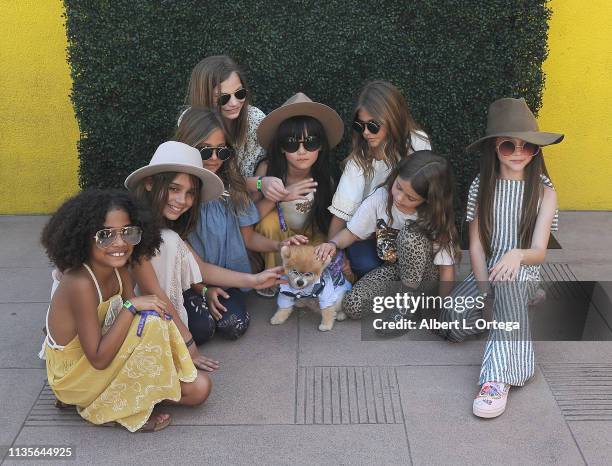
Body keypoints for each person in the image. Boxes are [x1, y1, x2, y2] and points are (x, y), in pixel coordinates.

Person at [40, 189, 210, 432]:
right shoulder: (80, 283)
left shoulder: (119, 269)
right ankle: (108, 407)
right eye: (105, 235)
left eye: (127, 232)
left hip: (105, 355)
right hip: (77, 374)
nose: (119, 243)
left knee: (199, 388)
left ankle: (115, 395)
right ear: (82, 237)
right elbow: (99, 357)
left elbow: (137, 321)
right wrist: (131, 307)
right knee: (149, 318)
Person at [444, 97, 563, 419]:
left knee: (508, 283)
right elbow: (478, 247)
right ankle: (509, 316)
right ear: (494, 148)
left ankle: (497, 377)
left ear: (537, 150)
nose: (519, 153)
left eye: (528, 147)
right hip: (488, 270)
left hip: (522, 269)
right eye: (508, 146)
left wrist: (515, 255)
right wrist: (483, 292)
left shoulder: (544, 191)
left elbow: (538, 253)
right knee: (451, 321)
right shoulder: (481, 187)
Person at [173, 107, 306, 341]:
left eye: (221, 152)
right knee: (201, 330)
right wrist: (204, 289)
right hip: (190, 280)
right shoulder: (180, 195)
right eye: (205, 151)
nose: (214, 158)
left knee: (233, 325)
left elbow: (248, 238)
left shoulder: (233, 188)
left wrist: (279, 246)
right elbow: (188, 259)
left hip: (230, 278)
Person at [315, 151, 459, 320]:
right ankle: (408, 304)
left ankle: (408, 306)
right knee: (352, 305)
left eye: (410, 197)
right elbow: (352, 232)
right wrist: (332, 244)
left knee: (410, 234)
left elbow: (446, 269)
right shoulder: (381, 198)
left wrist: (443, 309)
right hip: (395, 269)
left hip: (427, 278)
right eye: (398, 187)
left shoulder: (435, 218)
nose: (398, 197)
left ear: (428, 200)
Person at [328, 80, 431, 278]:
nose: (366, 132)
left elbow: (429, 190)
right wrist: (335, 253)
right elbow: (342, 211)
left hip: (410, 227)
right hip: (368, 230)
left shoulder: (417, 142)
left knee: (413, 255)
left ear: (392, 118)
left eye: (373, 126)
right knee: (365, 265)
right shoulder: (359, 159)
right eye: (360, 126)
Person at [252, 92, 344, 296]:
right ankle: (276, 279)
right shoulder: (268, 169)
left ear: (320, 146)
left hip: (312, 234)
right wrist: (280, 196)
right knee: (269, 222)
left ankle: (309, 282)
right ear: (282, 148)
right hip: (278, 237)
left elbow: (334, 220)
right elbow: (251, 219)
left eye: (310, 142)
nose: (301, 151)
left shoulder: (326, 175)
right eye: (292, 143)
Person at [182, 55, 288, 202]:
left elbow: (264, 166)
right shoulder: (189, 120)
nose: (234, 103)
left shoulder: (255, 120)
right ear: (204, 97)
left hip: (246, 201)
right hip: (200, 200)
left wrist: (259, 184)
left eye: (239, 93)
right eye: (223, 98)